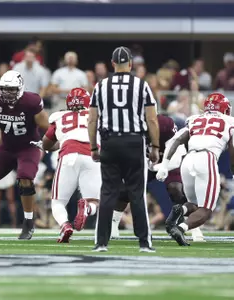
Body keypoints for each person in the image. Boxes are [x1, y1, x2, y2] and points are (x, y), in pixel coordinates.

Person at [88, 46, 159, 253]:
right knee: (136, 193)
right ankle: (144, 242)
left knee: (108, 192)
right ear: (130, 64)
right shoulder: (141, 85)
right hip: (134, 142)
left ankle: (101, 242)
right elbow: (152, 119)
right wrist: (155, 146)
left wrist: (93, 146)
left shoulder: (100, 86)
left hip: (110, 142)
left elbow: (92, 120)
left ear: (112, 64)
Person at [0, 70, 49, 240]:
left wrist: (46, 144)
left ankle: (28, 222)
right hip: (6, 147)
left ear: (20, 88)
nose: (8, 93)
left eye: (12, 89)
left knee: (25, 178)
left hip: (29, 147)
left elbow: (49, 127)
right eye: (5, 89)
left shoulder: (31, 101)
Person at [111, 114, 205, 242]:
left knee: (176, 189)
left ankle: (192, 226)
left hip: (169, 159)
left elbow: (177, 158)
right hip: (145, 161)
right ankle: (113, 223)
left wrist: (161, 167)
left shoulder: (165, 125)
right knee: (126, 189)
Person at [156, 93, 234, 246]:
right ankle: (180, 227)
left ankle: (181, 210)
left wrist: (165, 164)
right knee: (206, 210)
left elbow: (176, 140)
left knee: (194, 204)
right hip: (207, 157)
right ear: (225, 109)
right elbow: (233, 150)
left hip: (188, 159)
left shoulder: (195, 118)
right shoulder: (230, 121)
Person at [31, 88, 100, 243]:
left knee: (58, 202)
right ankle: (88, 209)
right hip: (92, 155)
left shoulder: (60, 116)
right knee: (95, 201)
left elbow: (47, 143)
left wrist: (59, 143)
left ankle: (64, 225)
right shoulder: (97, 115)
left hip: (68, 155)